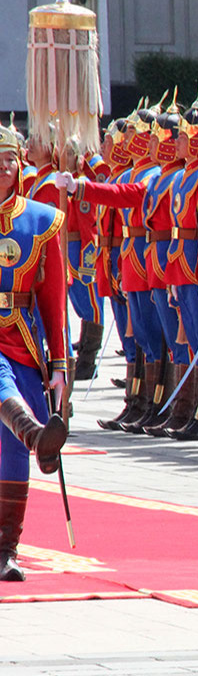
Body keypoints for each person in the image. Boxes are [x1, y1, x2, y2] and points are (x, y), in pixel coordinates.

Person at [0, 122, 71, 582]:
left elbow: (53, 299)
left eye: (8, 159)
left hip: (22, 339)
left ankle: (6, 548)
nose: (2, 168)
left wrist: (61, 366)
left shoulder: (40, 220)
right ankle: (35, 433)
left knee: (8, 453)